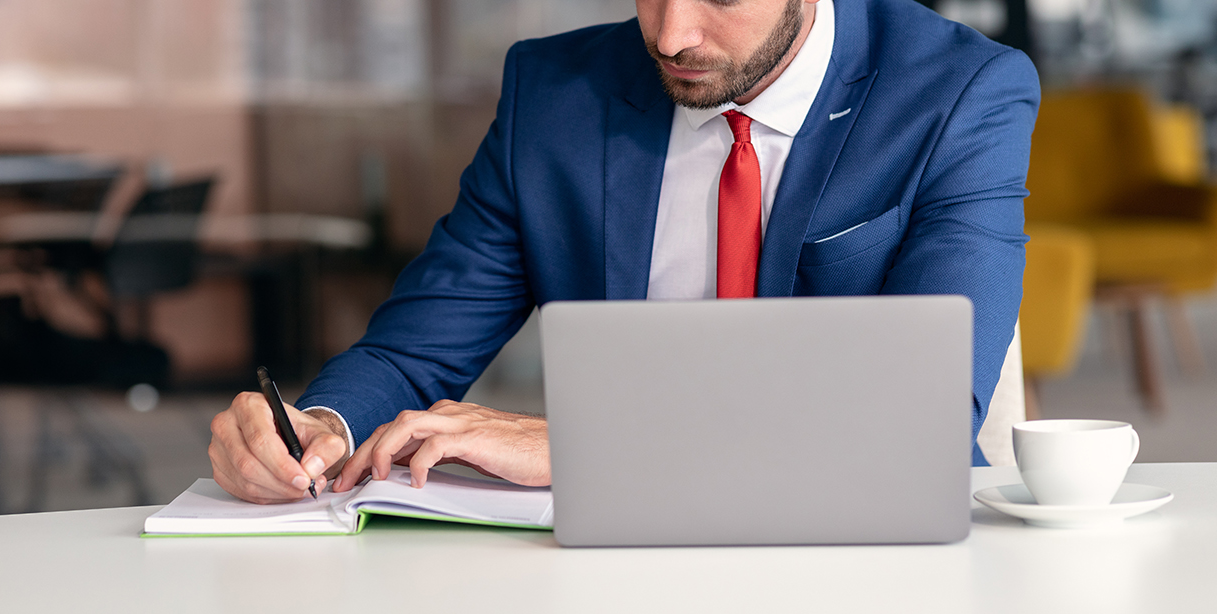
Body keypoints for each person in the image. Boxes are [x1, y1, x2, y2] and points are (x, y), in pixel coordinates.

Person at [209, 0, 1039, 503]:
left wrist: (584, 444)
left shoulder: (961, 94)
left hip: (867, 552)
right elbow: (409, 352)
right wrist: (318, 428)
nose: (672, 33)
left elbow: (917, 417)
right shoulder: (553, 96)